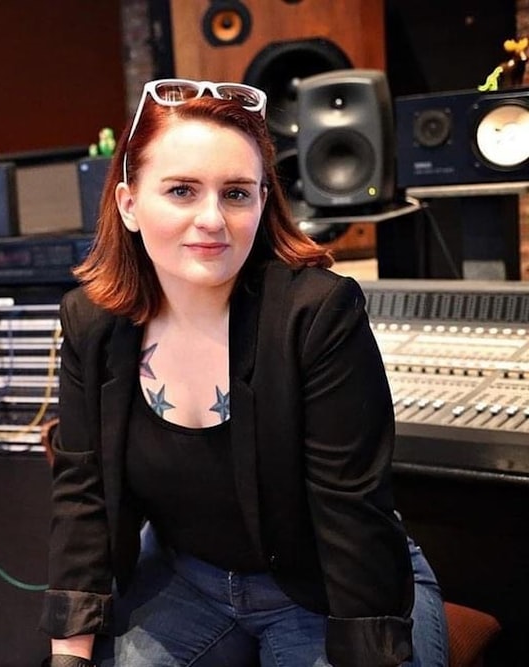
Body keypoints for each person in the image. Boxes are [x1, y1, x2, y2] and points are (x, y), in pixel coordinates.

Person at [38, 79, 448, 667]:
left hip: (327, 589)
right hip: (188, 582)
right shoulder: (92, 323)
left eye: (236, 193)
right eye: (181, 190)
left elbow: (352, 514)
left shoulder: (317, 313)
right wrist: (69, 656)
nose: (212, 219)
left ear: (262, 200)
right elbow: (83, 493)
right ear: (129, 204)